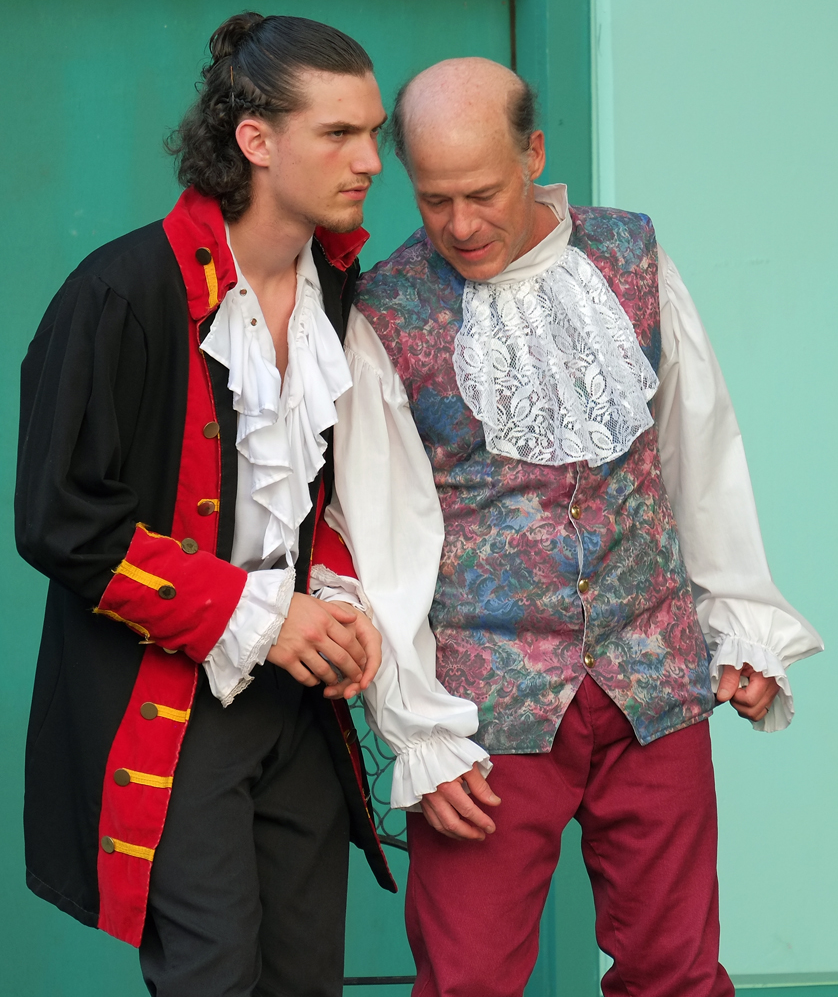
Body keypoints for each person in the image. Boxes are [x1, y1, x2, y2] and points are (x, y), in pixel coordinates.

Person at [326, 58, 824, 997]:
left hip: (654, 678)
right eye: (435, 200)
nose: (460, 225)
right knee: (468, 981)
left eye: (481, 193)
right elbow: (386, 541)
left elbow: (699, 451)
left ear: (534, 155)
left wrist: (742, 622)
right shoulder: (386, 312)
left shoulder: (632, 257)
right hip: (485, 713)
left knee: (677, 974)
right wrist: (421, 733)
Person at [16, 12, 394, 997]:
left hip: (298, 707)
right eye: (338, 133)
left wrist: (334, 600)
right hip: (176, 699)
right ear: (255, 139)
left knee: (305, 979)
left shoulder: (337, 289)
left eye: (373, 133)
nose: (369, 161)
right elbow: (62, 520)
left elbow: (324, 489)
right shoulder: (121, 292)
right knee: (212, 977)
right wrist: (262, 617)